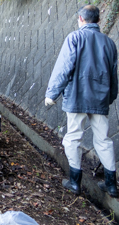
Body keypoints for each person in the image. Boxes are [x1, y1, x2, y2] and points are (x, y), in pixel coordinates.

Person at [45, 5, 118, 197]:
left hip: (77, 96)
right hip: (100, 99)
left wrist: (52, 94)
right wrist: (110, 97)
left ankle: (75, 182)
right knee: (103, 140)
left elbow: (63, 68)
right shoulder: (110, 43)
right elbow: (113, 76)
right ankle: (111, 186)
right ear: (98, 21)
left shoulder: (75, 38)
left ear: (80, 18)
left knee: (73, 137)